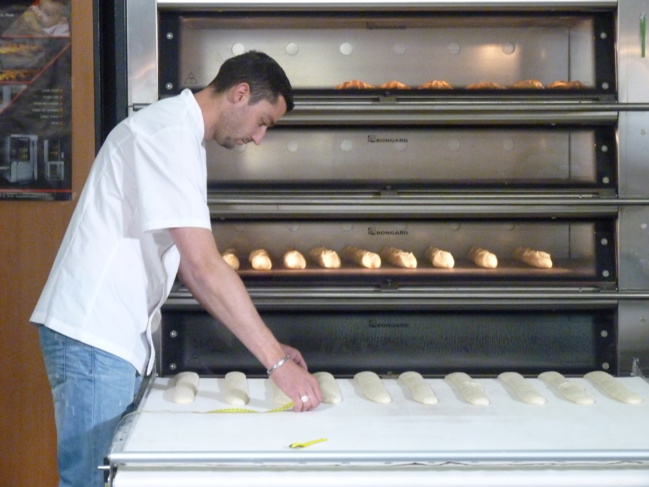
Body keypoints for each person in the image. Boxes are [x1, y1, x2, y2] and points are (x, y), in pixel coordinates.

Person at [31, 50, 323, 487]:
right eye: (264, 121)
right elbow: (205, 267)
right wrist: (276, 361)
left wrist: (270, 345)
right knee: (89, 481)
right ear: (240, 94)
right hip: (93, 336)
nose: (260, 137)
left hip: (110, 338)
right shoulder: (166, 133)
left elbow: (193, 271)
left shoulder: (180, 136)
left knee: (108, 479)